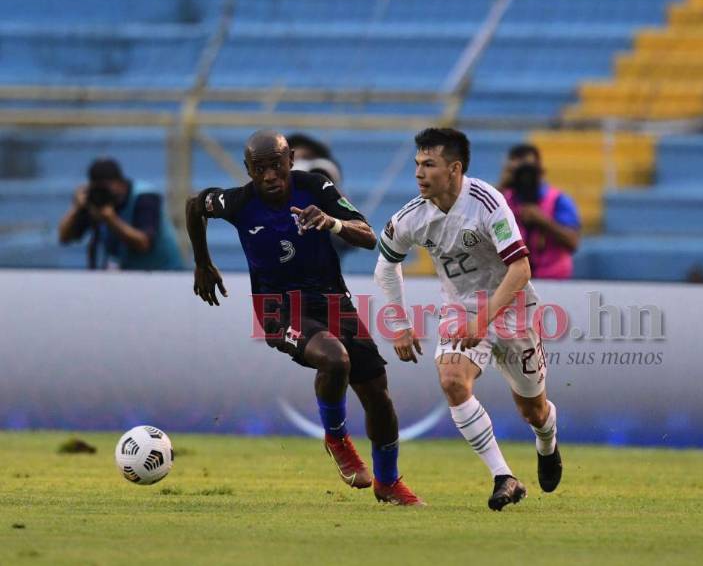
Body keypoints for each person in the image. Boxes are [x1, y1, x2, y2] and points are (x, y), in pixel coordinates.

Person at [185, 130, 422, 505]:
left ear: (290, 159)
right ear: (247, 169)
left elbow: (367, 234)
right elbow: (195, 205)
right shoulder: (237, 202)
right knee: (334, 359)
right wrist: (203, 263)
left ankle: (389, 483)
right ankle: (337, 439)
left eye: (276, 165)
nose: (268, 176)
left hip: (331, 302)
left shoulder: (315, 188)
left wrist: (331, 222)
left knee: (378, 394)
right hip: (278, 309)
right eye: (258, 169)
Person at [375, 128, 562, 511]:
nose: (419, 173)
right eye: (417, 164)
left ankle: (547, 443)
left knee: (534, 410)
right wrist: (399, 323)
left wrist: (486, 318)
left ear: (455, 168)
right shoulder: (413, 217)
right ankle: (504, 476)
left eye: (429, 164)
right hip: (461, 310)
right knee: (452, 381)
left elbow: (521, 268)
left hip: (511, 307)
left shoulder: (487, 202)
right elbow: (385, 266)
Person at [58, 158, 183, 271]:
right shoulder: (95, 201)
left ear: (120, 183)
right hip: (129, 273)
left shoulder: (144, 196)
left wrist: (111, 219)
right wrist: (76, 208)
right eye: (98, 188)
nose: (103, 194)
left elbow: (144, 244)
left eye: (105, 188)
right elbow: (64, 237)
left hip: (164, 273)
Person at [498, 144, 580, 279]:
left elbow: (573, 242)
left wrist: (543, 221)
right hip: (513, 281)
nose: (525, 175)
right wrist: (502, 184)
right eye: (519, 170)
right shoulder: (502, 200)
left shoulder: (558, 200)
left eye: (529, 169)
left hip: (553, 280)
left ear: (541, 170)